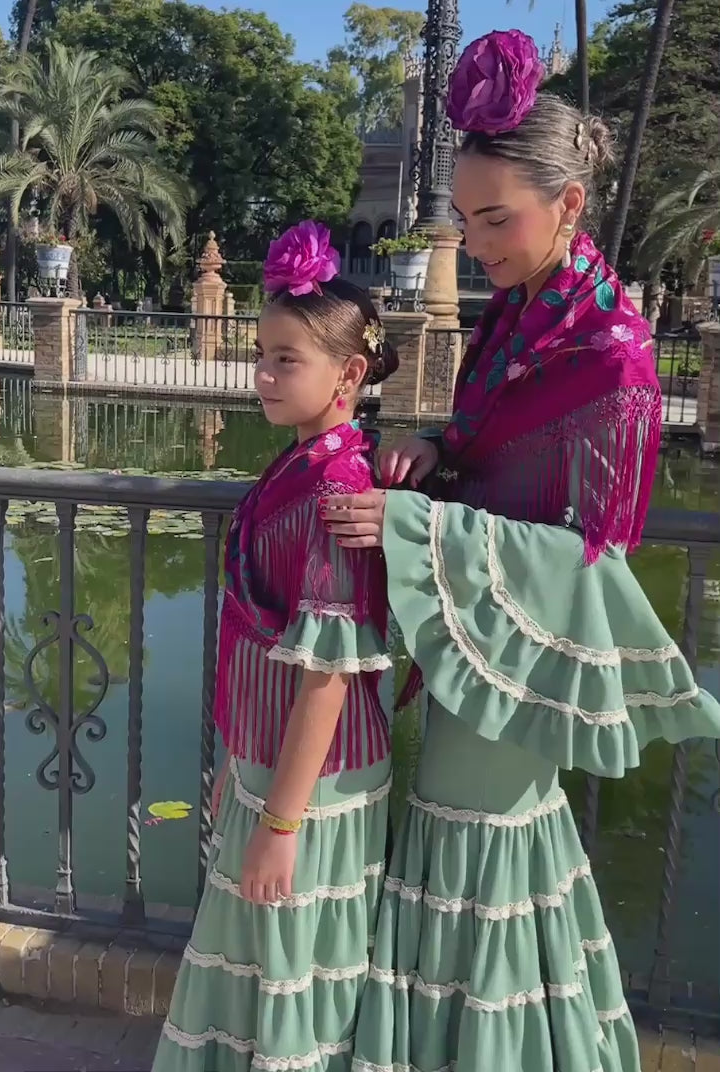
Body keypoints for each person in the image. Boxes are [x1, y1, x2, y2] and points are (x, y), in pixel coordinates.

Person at [321, 30, 720, 1072]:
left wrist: (419, 523)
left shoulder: (613, 351)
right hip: (468, 618)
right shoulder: (517, 317)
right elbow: (488, 445)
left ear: (570, 206)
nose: (479, 240)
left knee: (473, 828)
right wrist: (433, 445)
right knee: (472, 834)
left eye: (498, 219)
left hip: (526, 636)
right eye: (467, 218)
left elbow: (595, 556)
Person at [153, 221, 400, 1071]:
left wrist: (282, 823)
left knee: (298, 978)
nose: (262, 372)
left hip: (316, 785)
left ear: (350, 373)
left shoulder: (338, 484)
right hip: (272, 763)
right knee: (262, 970)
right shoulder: (298, 464)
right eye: (261, 352)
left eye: (285, 358)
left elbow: (328, 674)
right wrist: (240, 759)